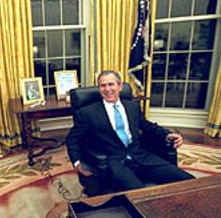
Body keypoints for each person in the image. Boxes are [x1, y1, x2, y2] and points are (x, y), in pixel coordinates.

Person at [66, 70, 194, 195]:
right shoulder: (87, 113)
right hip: (114, 162)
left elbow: (147, 126)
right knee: (141, 195)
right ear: (99, 89)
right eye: (102, 85)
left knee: (187, 180)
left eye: (111, 84)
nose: (107, 89)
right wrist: (77, 162)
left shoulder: (132, 107)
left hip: (140, 156)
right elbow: (73, 139)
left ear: (120, 86)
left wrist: (167, 135)